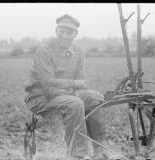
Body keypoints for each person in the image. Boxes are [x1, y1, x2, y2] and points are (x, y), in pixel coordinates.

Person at [24, 14, 108, 160]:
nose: (64, 36)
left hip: (65, 94)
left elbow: (81, 80)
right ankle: (77, 154)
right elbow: (48, 82)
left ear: (76, 34)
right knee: (75, 103)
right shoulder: (44, 50)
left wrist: (70, 88)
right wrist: (73, 85)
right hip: (40, 96)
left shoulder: (79, 52)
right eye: (61, 31)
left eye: (69, 32)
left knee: (95, 97)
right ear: (56, 31)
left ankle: (99, 150)